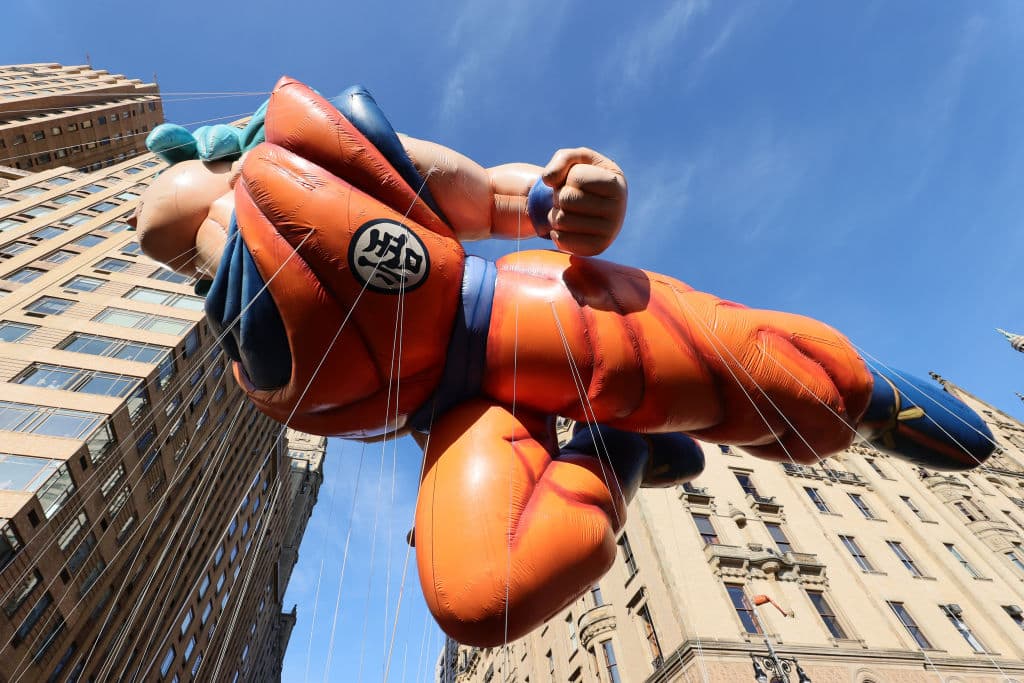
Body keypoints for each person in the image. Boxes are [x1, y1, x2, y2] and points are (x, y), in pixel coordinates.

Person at [133, 77, 992, 645]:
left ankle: (871, 396)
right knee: (480, 593)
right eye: (188, 267)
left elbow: (505, 198)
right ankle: (616, 455)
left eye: (188, 237)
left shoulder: (322, 153)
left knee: (732, 369)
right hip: (461, 419)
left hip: (510, 315)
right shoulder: (256, 352)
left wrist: (579, 195)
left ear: (216, 160)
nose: (193, 261)